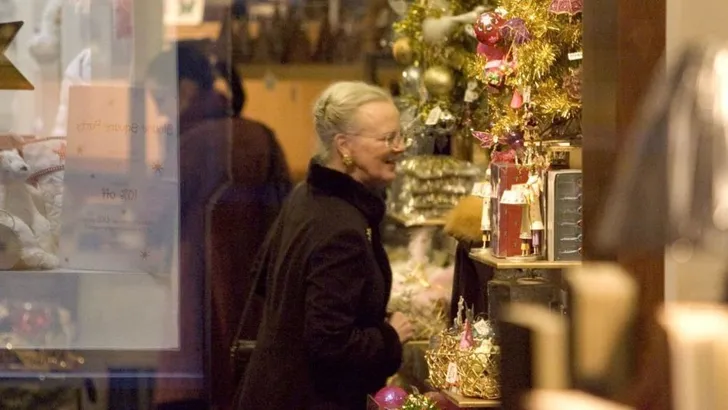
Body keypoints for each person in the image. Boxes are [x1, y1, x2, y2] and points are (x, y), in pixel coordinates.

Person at [238, 81, 414, 410]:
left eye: (400, 135)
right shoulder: (341, 229)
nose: (400, 147)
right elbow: (330, 344)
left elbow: (263, 279)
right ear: (344, 146)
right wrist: (389, 336)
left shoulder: (305, 196)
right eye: (387, 138)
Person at [145, 43, 290, 410]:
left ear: (186, 89)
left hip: (199, 313)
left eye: (160, 96)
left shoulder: (194, 143)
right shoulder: (259, 135)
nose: (159, 108)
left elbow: (153, 215)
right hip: (256, 309)